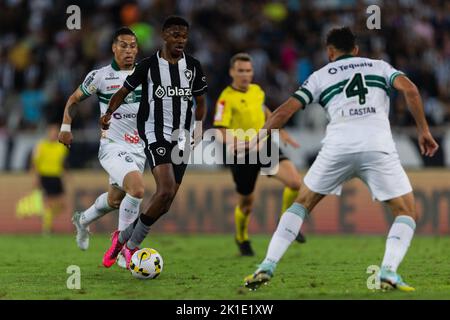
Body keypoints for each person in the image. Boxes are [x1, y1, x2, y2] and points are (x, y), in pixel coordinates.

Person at [242, 27, 439, 291]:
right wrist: (424, 131)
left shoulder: (320, 75)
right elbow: (412, 91)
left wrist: (259, 137)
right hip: (377, 146)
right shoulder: (379, 66)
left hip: (338, 146)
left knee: (301, 204)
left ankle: (267, 265)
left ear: (330, 52)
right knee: (406, 212)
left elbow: (285, 110)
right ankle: (389, 271)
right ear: (356, 49)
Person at [100, 16, 208, 268]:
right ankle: (132, 246)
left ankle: (122, 238)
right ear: (164, 35)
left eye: (184, 35)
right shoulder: (148, 66)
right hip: (154, 133)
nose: (180, 39)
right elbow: (122, 92)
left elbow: (201, 101)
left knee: (165, 203)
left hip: (182, 137)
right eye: (175, 34)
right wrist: (108, 114)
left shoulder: (193, 66)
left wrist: (200, 126)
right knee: (166, 189)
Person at [58, 27, 146, 268]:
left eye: (133, 46)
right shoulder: (100, 76)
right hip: (112, 147)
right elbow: (73, 100)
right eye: (123, 45)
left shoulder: (146, 74)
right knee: (137, 189)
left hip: (139, 148)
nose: (129, 50)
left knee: (115, 200)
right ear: (113, 48)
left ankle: (82, 220)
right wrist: (66, 127)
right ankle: (122, 247)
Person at [213, 53, 306, 256]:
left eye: (248, 71)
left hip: (263, 146)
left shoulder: (257, 90)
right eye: (241, 71)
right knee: (247, 204)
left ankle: (286, 224)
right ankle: (241, 236)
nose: (245, 75)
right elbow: (220, 129)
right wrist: (238, 144)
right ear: (232, 72)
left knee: (295, 182)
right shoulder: (225, 99)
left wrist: (279, 130)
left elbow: (263, 110)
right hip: (241, 154)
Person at [32, 123, 69, 233]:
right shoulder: (41, 145)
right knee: (48, 202)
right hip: (45, 176)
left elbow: (63, 163)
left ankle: (46, 216)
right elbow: (35, 163)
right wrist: (36, 177)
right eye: (51, 132)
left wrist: (67, 175)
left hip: (57, 177)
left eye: (55, 132)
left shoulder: (61, 147)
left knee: (62, 204)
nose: (53, 134)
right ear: (48, 133)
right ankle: (47, 228)